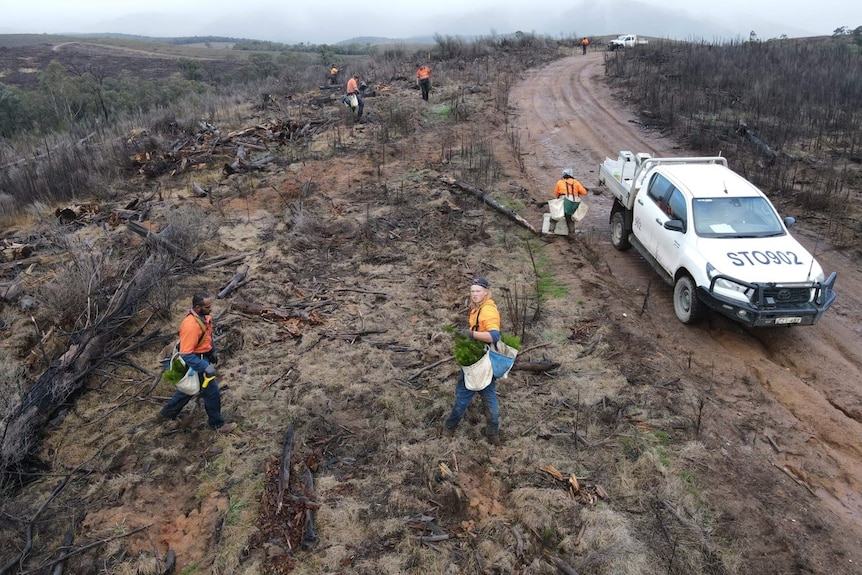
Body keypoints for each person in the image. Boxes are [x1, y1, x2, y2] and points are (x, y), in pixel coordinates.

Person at [160, 292, 237, 433]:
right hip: (195, 361)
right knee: (212, 392)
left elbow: (207, 337)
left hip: (202, 357)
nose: (211, 309)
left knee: (187, 390)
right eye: (207, 307)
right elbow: (186, 353)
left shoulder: (204, 318)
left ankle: (167, 414)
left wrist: (211, 351)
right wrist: (205, 366)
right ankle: (217, 425)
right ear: (197, 307)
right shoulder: (190, 326)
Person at [443, 277, 502, 446]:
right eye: (472, 291)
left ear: (486, 292)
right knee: (489, 396)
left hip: (479, 361)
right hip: (481, 359)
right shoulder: (479, 308)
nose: (475, 294)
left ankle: (448, 429)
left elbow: (493, 335)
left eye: (478, 291)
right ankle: (493, 436)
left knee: (463, 395)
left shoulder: (487, 310)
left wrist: (471, 335)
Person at [553, 168, 588, 234]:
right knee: (570, 219)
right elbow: (584, 192)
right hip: (572, 202)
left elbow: (556, 193)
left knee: (555, 216)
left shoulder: (560, 182)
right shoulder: (576, 182)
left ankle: (550, 233)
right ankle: (572, 236)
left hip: (563, 200)